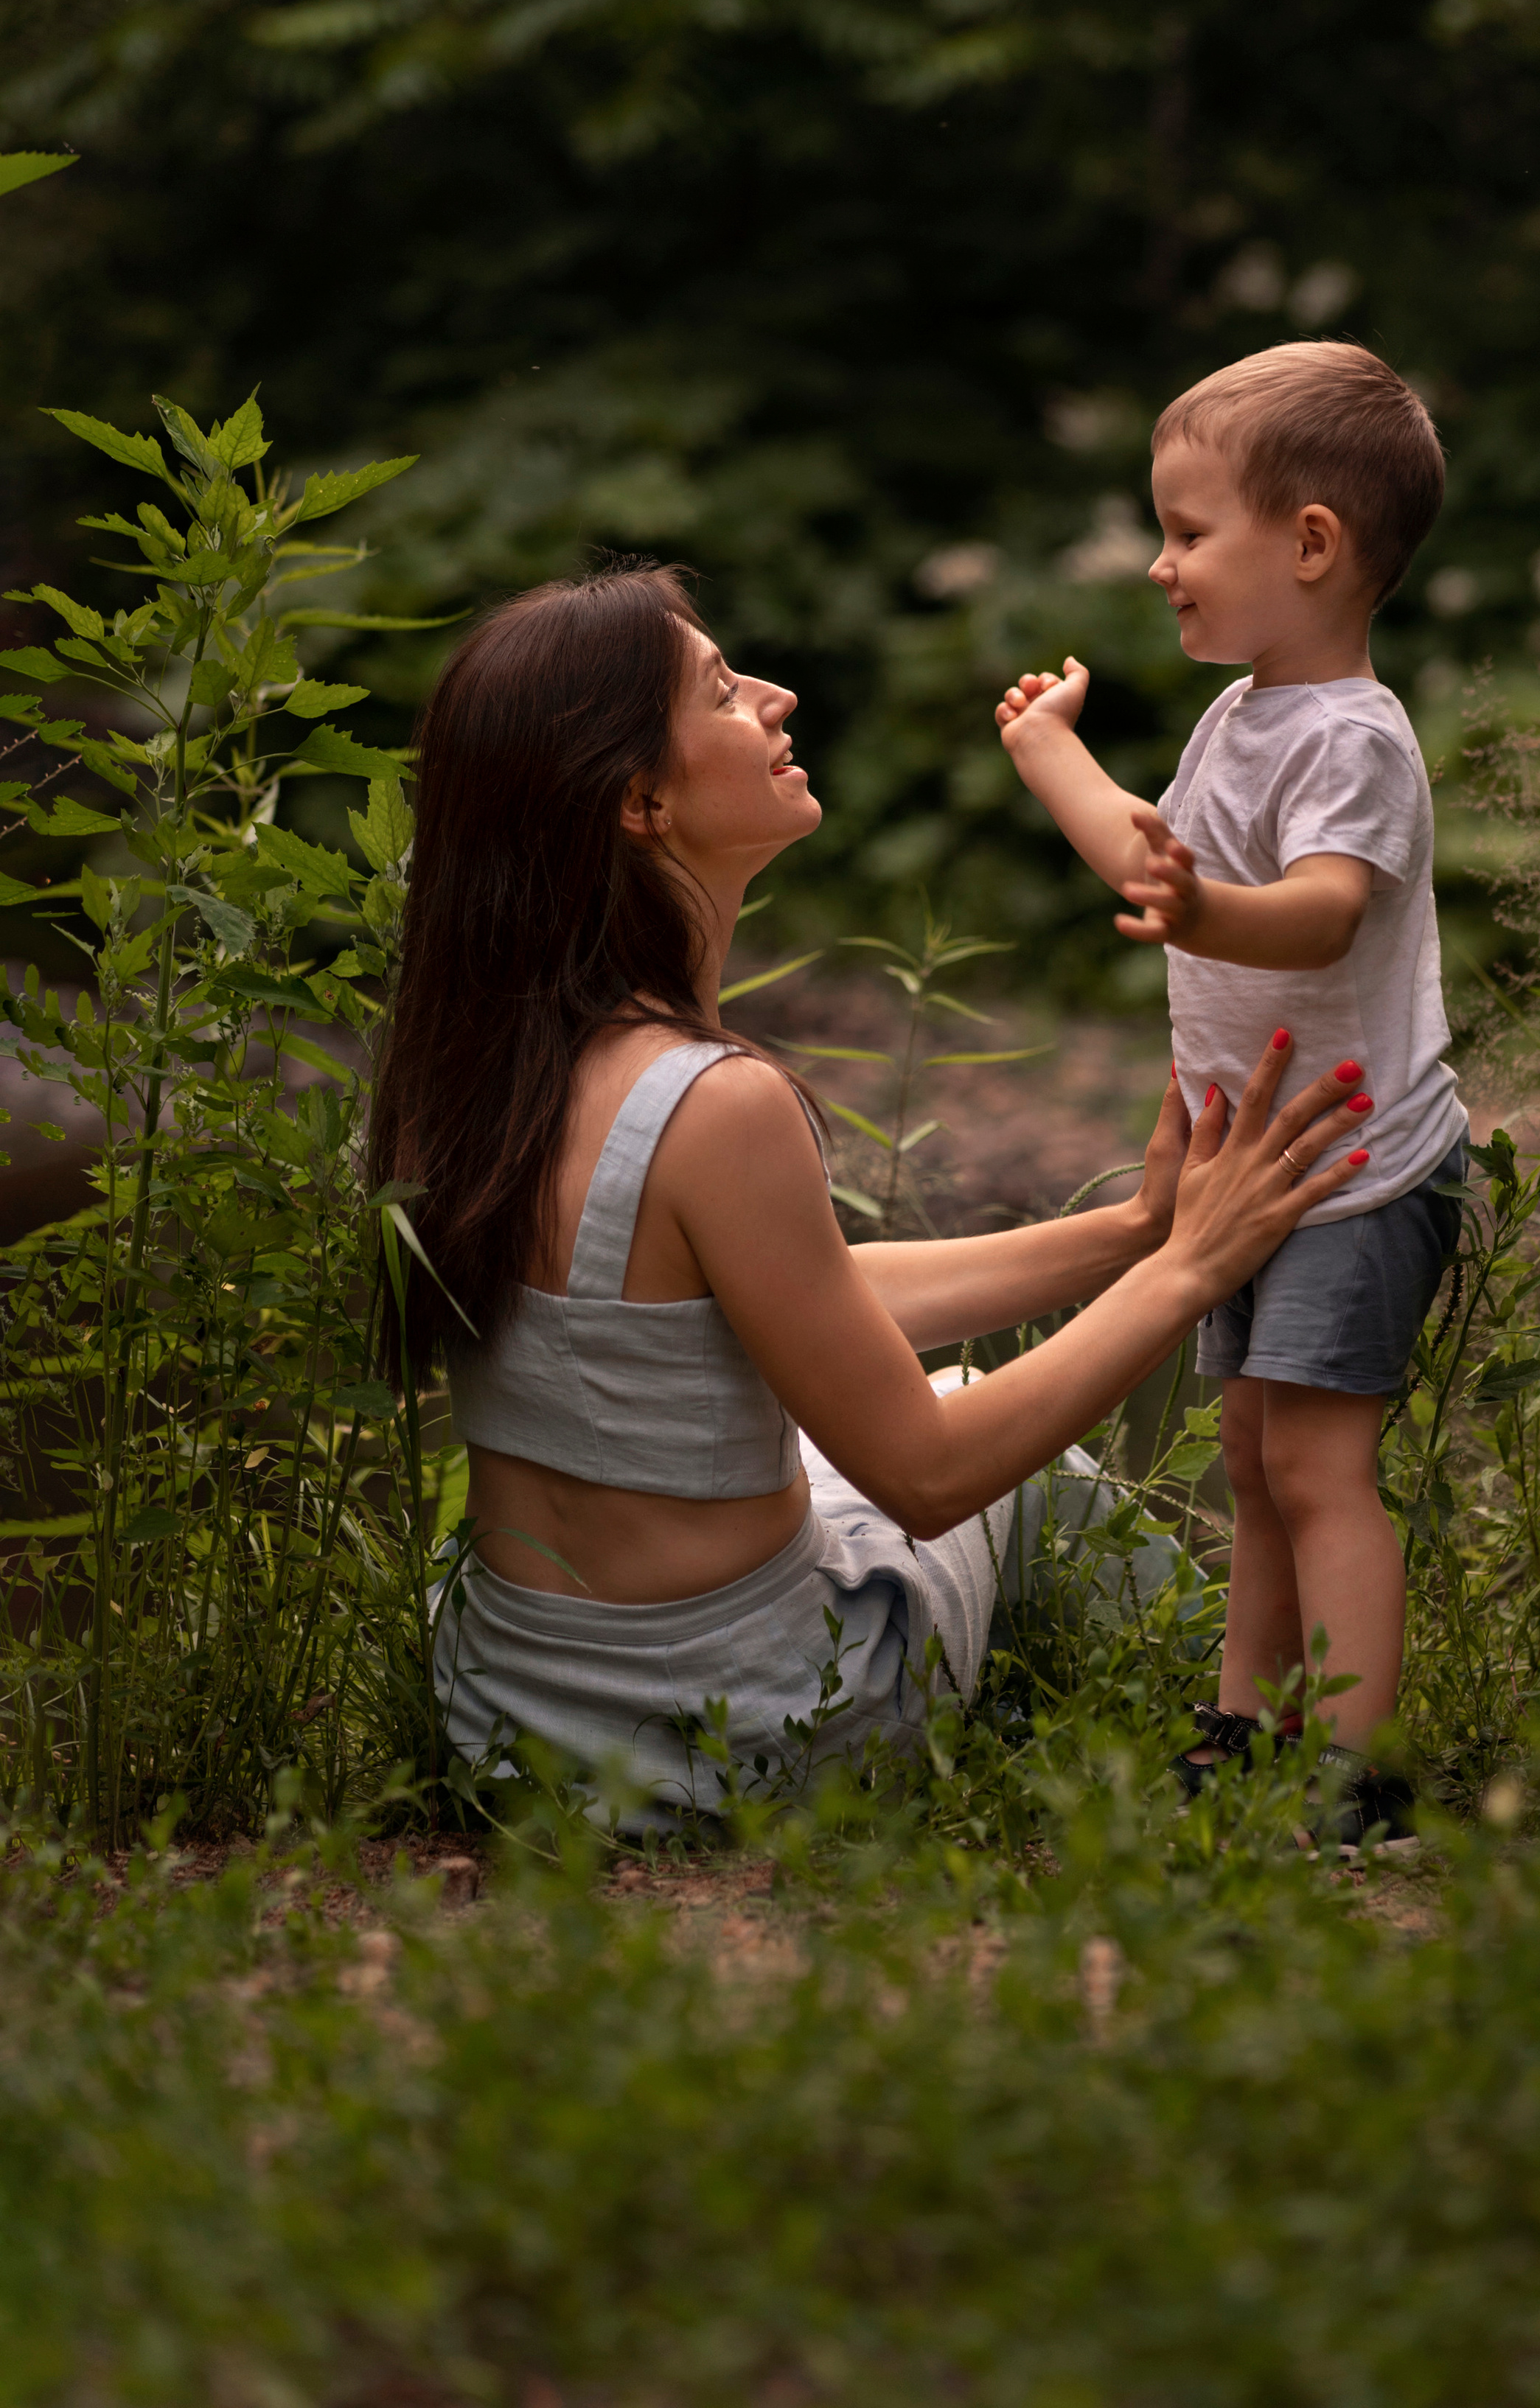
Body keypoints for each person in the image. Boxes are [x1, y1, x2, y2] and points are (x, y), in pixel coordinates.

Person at [368, 560, 1373, 1830]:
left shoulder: (485, 1068)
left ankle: (1202, 1733)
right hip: (751, 1743)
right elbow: (928, 1474)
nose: (779, 699)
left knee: (926, 1408)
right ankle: (1251, 1759)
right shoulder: (714, 1101)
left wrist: (1130, 1232)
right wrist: (1192, 1271)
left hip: (513, 1734)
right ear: (638, 800)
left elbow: (784, 1298)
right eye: (727, 692)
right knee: (1029, 1470)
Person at [994, 341, 1467, 1844]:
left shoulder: (1350, 736)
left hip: (1352, 1169)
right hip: (1255, 1166)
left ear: (1311, 544)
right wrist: (1048, 752)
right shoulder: (1239, 717)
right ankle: (1244, 1721)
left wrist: (1204, 916)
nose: (1158, 565)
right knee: (1257, 1454)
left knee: (1318, 1465)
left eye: (1189, 532)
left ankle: (1351, 1762)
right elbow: (1159, 859)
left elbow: (1319, 908)